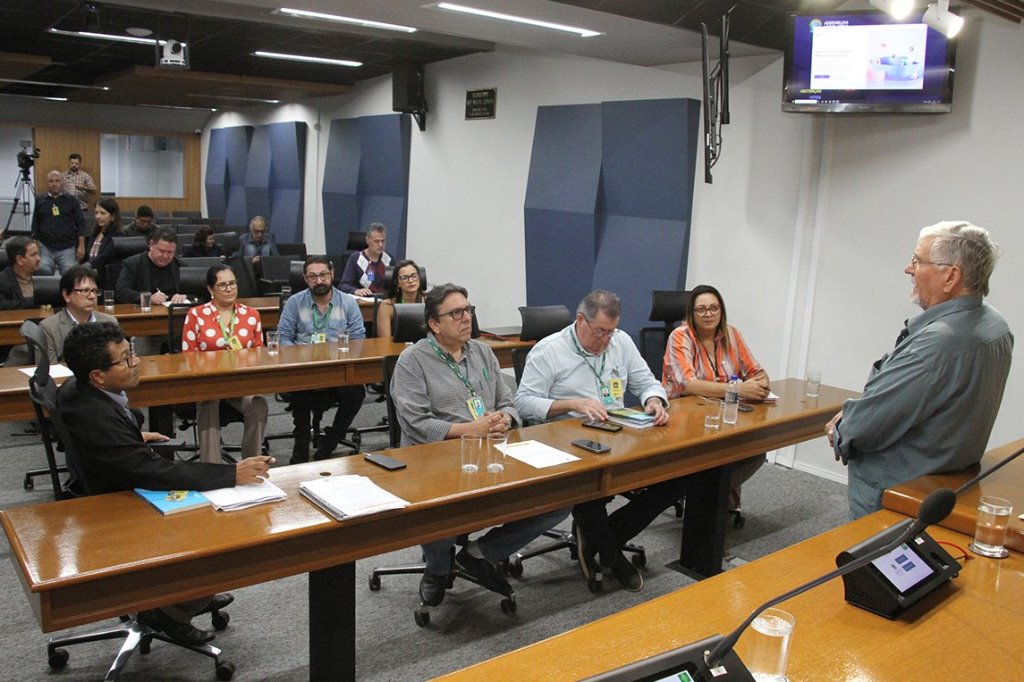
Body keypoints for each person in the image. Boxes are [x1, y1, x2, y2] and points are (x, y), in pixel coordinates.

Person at [57, 321, 273, 646]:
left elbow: (111, 448)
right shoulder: (96, 416)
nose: (136, 362)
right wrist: (231, 474)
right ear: (98, 376)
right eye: (126, 359)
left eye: (131, 352)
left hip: (102, 486)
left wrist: (129, 438)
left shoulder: (78, 390)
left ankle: (188, 593)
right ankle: (172, 610)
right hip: (114, 507)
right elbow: (150, 472)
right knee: (222, 523)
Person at [391, 283, 569, 607]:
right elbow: (415, 423)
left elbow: (508, 401)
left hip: (493, 453)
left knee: (561, 495)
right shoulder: (412, 361)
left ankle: (480, 553)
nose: (466, 318)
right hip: (435, 461)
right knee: (440, 509)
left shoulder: (483, 351)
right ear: (434, 323)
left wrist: (506, 419)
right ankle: (437, 568)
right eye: (456, 313)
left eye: (468, 310)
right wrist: (470, 429)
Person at [826, 221, 1013, 519]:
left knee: (870, 563)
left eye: (917, 260)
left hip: (896, 492)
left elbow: (862, 428)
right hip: (946, 479)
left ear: (950, 276)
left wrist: (843, 426)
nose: (908, 269)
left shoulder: (938, 343)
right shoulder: (995, 325)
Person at [515, 290, 680, 592]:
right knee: (587, 484)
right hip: (567, 442)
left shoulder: (621, 342)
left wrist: (654, 400)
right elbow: (524, 403)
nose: (606, 340)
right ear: (581, 320)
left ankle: (604, 537)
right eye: (600, 331)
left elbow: (647, 382)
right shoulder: (549, 350)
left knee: (674, 476)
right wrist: (571, 404)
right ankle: (612, 556)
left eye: (610, 332)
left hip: (617, 435)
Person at [661, 284, 770, 514]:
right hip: (684, 417)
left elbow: (757, 371)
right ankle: (713, 497)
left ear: (721, 310)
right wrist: (737, 389)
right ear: (691, 313)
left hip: (722, 412)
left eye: (713, 308)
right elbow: (687, 384)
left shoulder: (731, 334)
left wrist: (760, 382)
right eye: (701, 309)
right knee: (720, 453)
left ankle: (711, 493)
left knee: (756, 449)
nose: (708, 314)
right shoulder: (680, 337)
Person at [278, 256, 366, 463]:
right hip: (304, 370)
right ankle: (301, 442)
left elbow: (358, 338)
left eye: (323, 275)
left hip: (338, 370)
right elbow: (283, 339)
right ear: (305, 279)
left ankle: (332, 439)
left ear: (332, 275)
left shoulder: (347, 303)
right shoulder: (294, 303)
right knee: (301, 391)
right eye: (313, 276)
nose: (319, 281)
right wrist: (303, 357)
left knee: (356, 392)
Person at [181, 264, 268, 463]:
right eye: (222, 285)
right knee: (209, 401)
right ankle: (212, 468)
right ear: (211, 290)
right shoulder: (196, 315)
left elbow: (258, 353)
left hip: (240, 383)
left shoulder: (251, 314)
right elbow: (188, 356)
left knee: (258, 403)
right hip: (208, 382)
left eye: (232, 284)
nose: (229, 289)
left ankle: (251, 463)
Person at [39, 265, 116, 363]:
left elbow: (118, 360)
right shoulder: (48, 328)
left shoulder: (109, 322)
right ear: (66, 295)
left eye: (94, 291)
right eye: (85, 291)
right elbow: (49, 370)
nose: (92, 296)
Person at [31, 170, 85, 275]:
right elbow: (35, 224)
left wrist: (81, 246)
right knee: (41, 270)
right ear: (47, 183)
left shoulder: (72, 200)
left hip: (67, 247)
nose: (54, 184)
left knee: (70, 274)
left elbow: (80, 224)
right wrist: (35, 246)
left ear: (62, 182)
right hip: (46, 247)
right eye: (51, 181)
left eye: (57, 181)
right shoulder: (40, 200)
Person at [115, 227, 187, 305]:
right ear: (151, 245)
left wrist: (184, 296)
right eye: (161, 251)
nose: (165, 256)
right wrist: (147, 298)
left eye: (170, 252)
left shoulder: (180, 266)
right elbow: (121, 292)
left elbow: (196, 292)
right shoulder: (132, 264)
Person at [375, 259, 425, 339]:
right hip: (395, 349)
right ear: (397, 283)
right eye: (404, 277)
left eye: (414, 276)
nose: (411, 281)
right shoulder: (387, 306)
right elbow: (384, 341)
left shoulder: (428, 302)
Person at [340, 222, 391, 296]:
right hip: (364, 302)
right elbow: (343, 286)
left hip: (384, 302)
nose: (380, 245)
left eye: (383, 241)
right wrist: (355, 291)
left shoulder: (389, 258)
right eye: (376, 241)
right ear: (367, 240)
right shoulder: (355, 259)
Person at [0, 236, 41, 310]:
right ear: (19, 260)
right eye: (33, 255)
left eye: (38, 254)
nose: (38, 258)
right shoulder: (2, 281)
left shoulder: (41, 275)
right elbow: (2, 305)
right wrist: (36, 301)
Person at [83, 197, 120, 280]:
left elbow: (106, 256)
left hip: (106, 277)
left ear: (113, 216)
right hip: (91, 275)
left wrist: (88, 265)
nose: (98, 216)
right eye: (96, 213)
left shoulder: (118, 235)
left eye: (103, 213)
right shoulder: (94, 234)